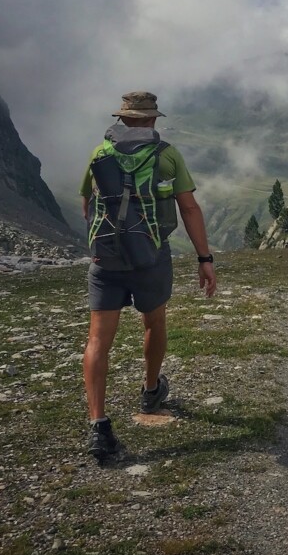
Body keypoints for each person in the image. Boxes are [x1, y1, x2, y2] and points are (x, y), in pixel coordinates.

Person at [80, 91, 216, 462]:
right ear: (153, 119)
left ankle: (99, 426)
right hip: (151, 257)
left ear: (122, 119)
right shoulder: (167, 155)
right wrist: (205, 258)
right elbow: (188, 207)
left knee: (97, 340)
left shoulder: (99, 154)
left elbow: (88, 205)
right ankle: (151, 389)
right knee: (153, 321)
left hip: (105, 260)